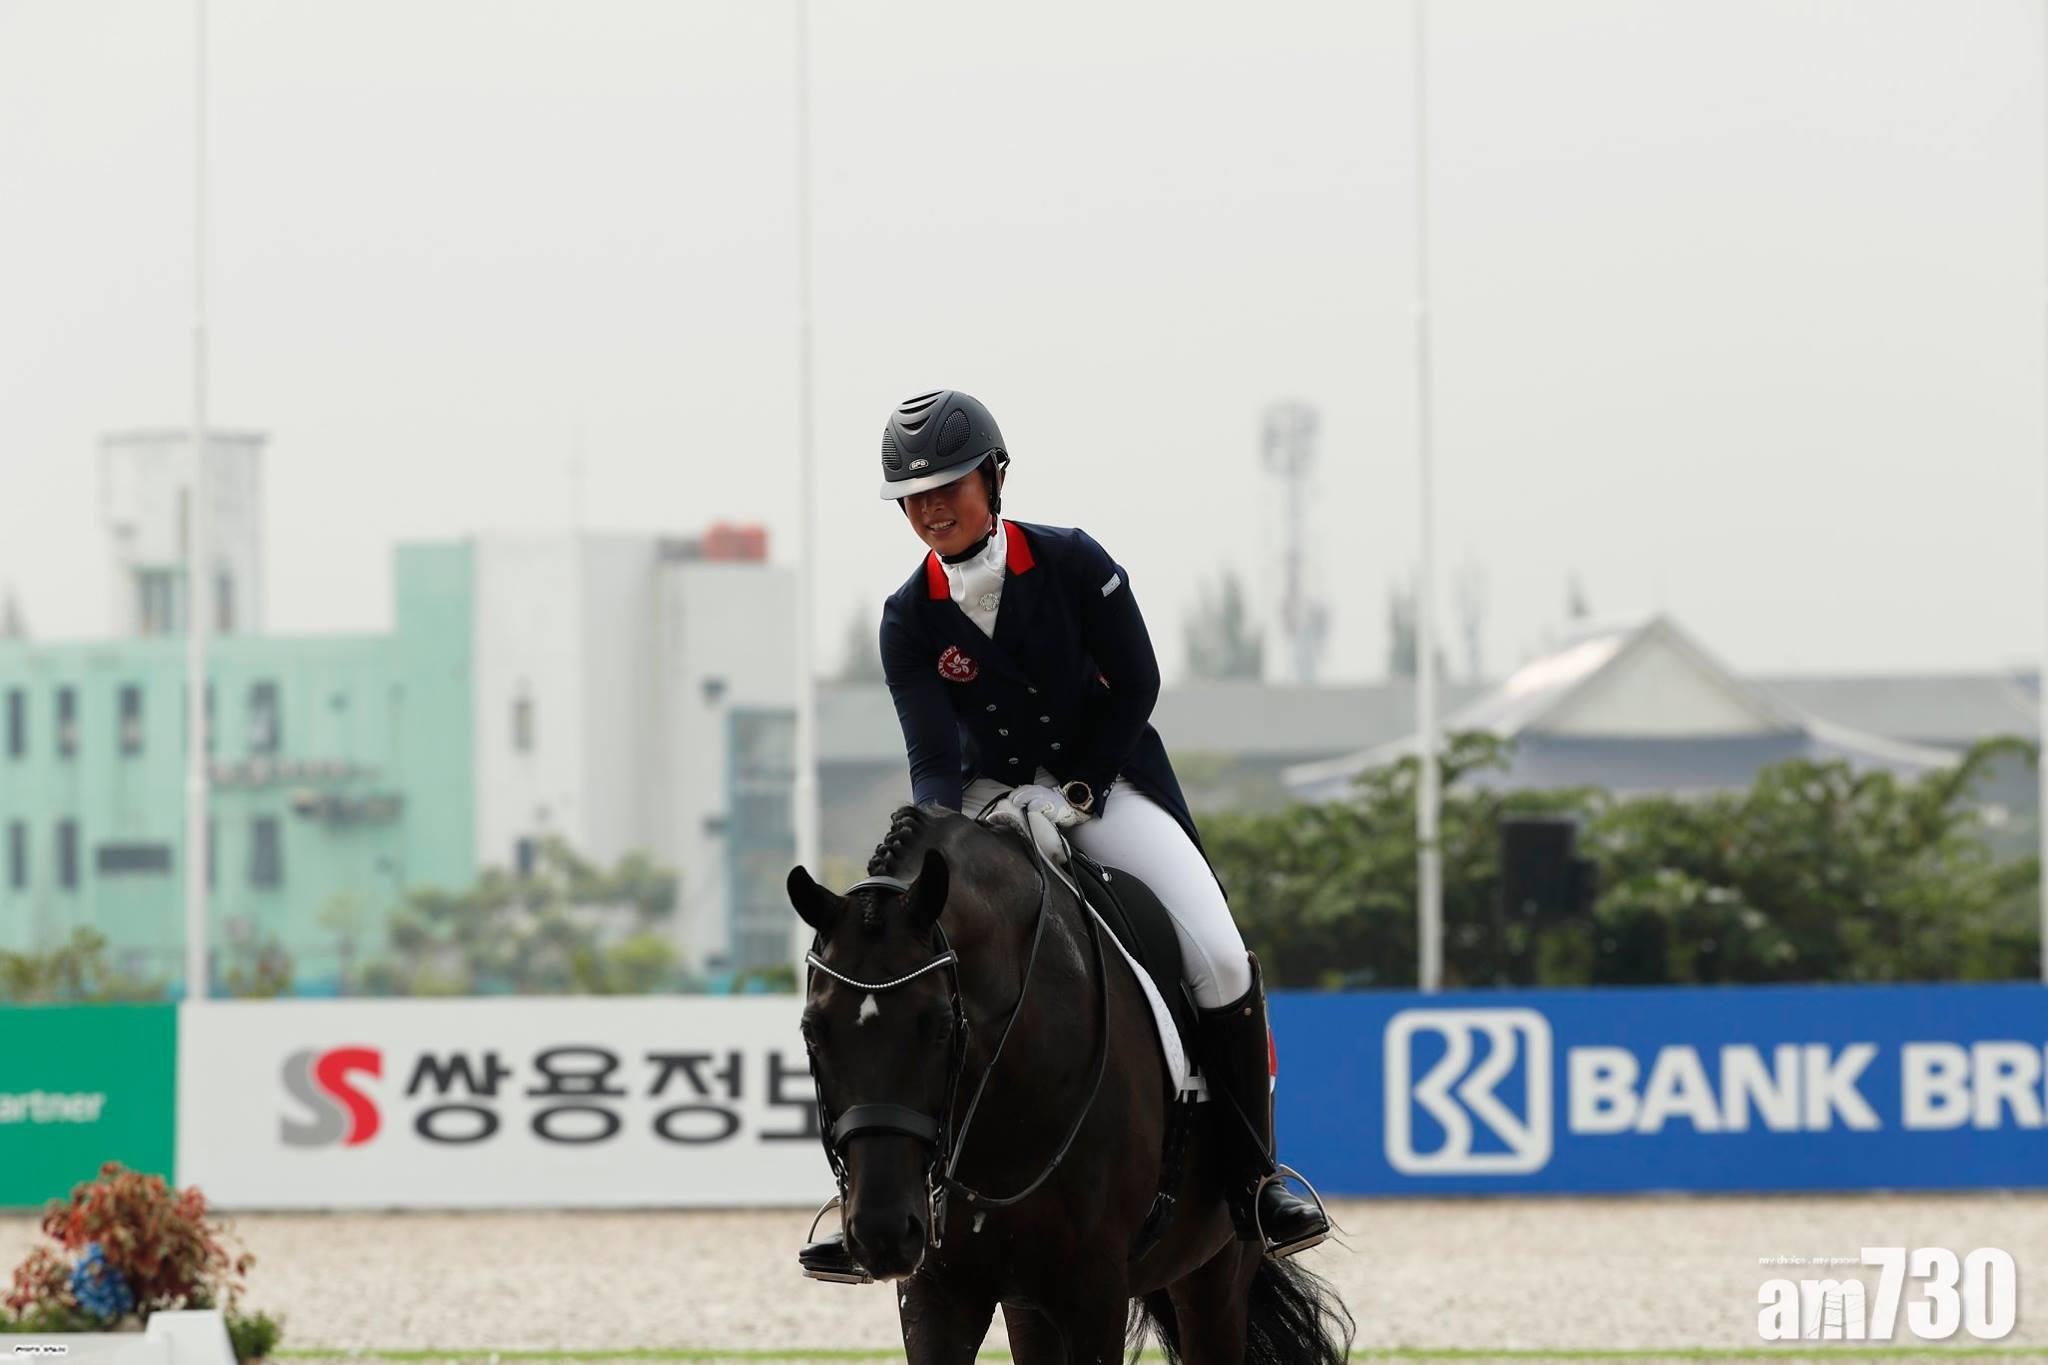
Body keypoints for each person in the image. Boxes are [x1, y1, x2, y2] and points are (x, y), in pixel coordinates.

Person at [798, 389, 1329, 1281]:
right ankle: (873, 1198)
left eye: (948, 488)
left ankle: (1255, 1182)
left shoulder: (1074, 561)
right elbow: (932, 755)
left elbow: (1137, 682)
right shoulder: (907, 616)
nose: (931, 510)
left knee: (1220, 956)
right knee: (888, 965)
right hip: (984, 802)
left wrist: (1074, 790)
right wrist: (947, 832)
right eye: (914, 498)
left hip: (1107, 783)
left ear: (994, 477)